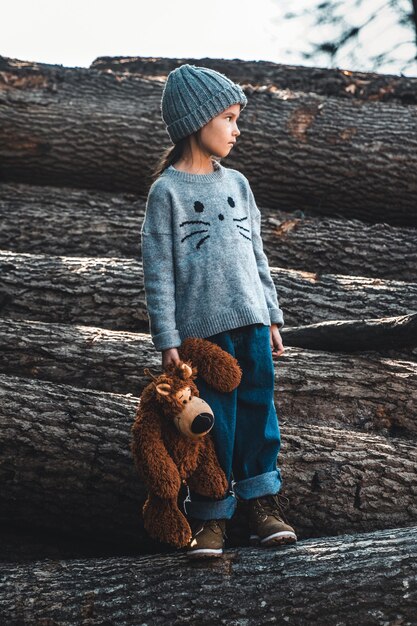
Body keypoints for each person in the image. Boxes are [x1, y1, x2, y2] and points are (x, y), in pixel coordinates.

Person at [141, 63, 297, 558]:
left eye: (236, 119)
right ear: (197, 120)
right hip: (203, 339)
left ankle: (262, 506)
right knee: (214, 426)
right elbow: (158, 271)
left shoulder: (239, 184)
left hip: (251, 323)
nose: (236, 129)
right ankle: (210, 515)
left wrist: (271, 315)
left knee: (258, 413)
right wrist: (167, 339)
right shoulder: (167, 192)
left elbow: (256, 257)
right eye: (228, 118)